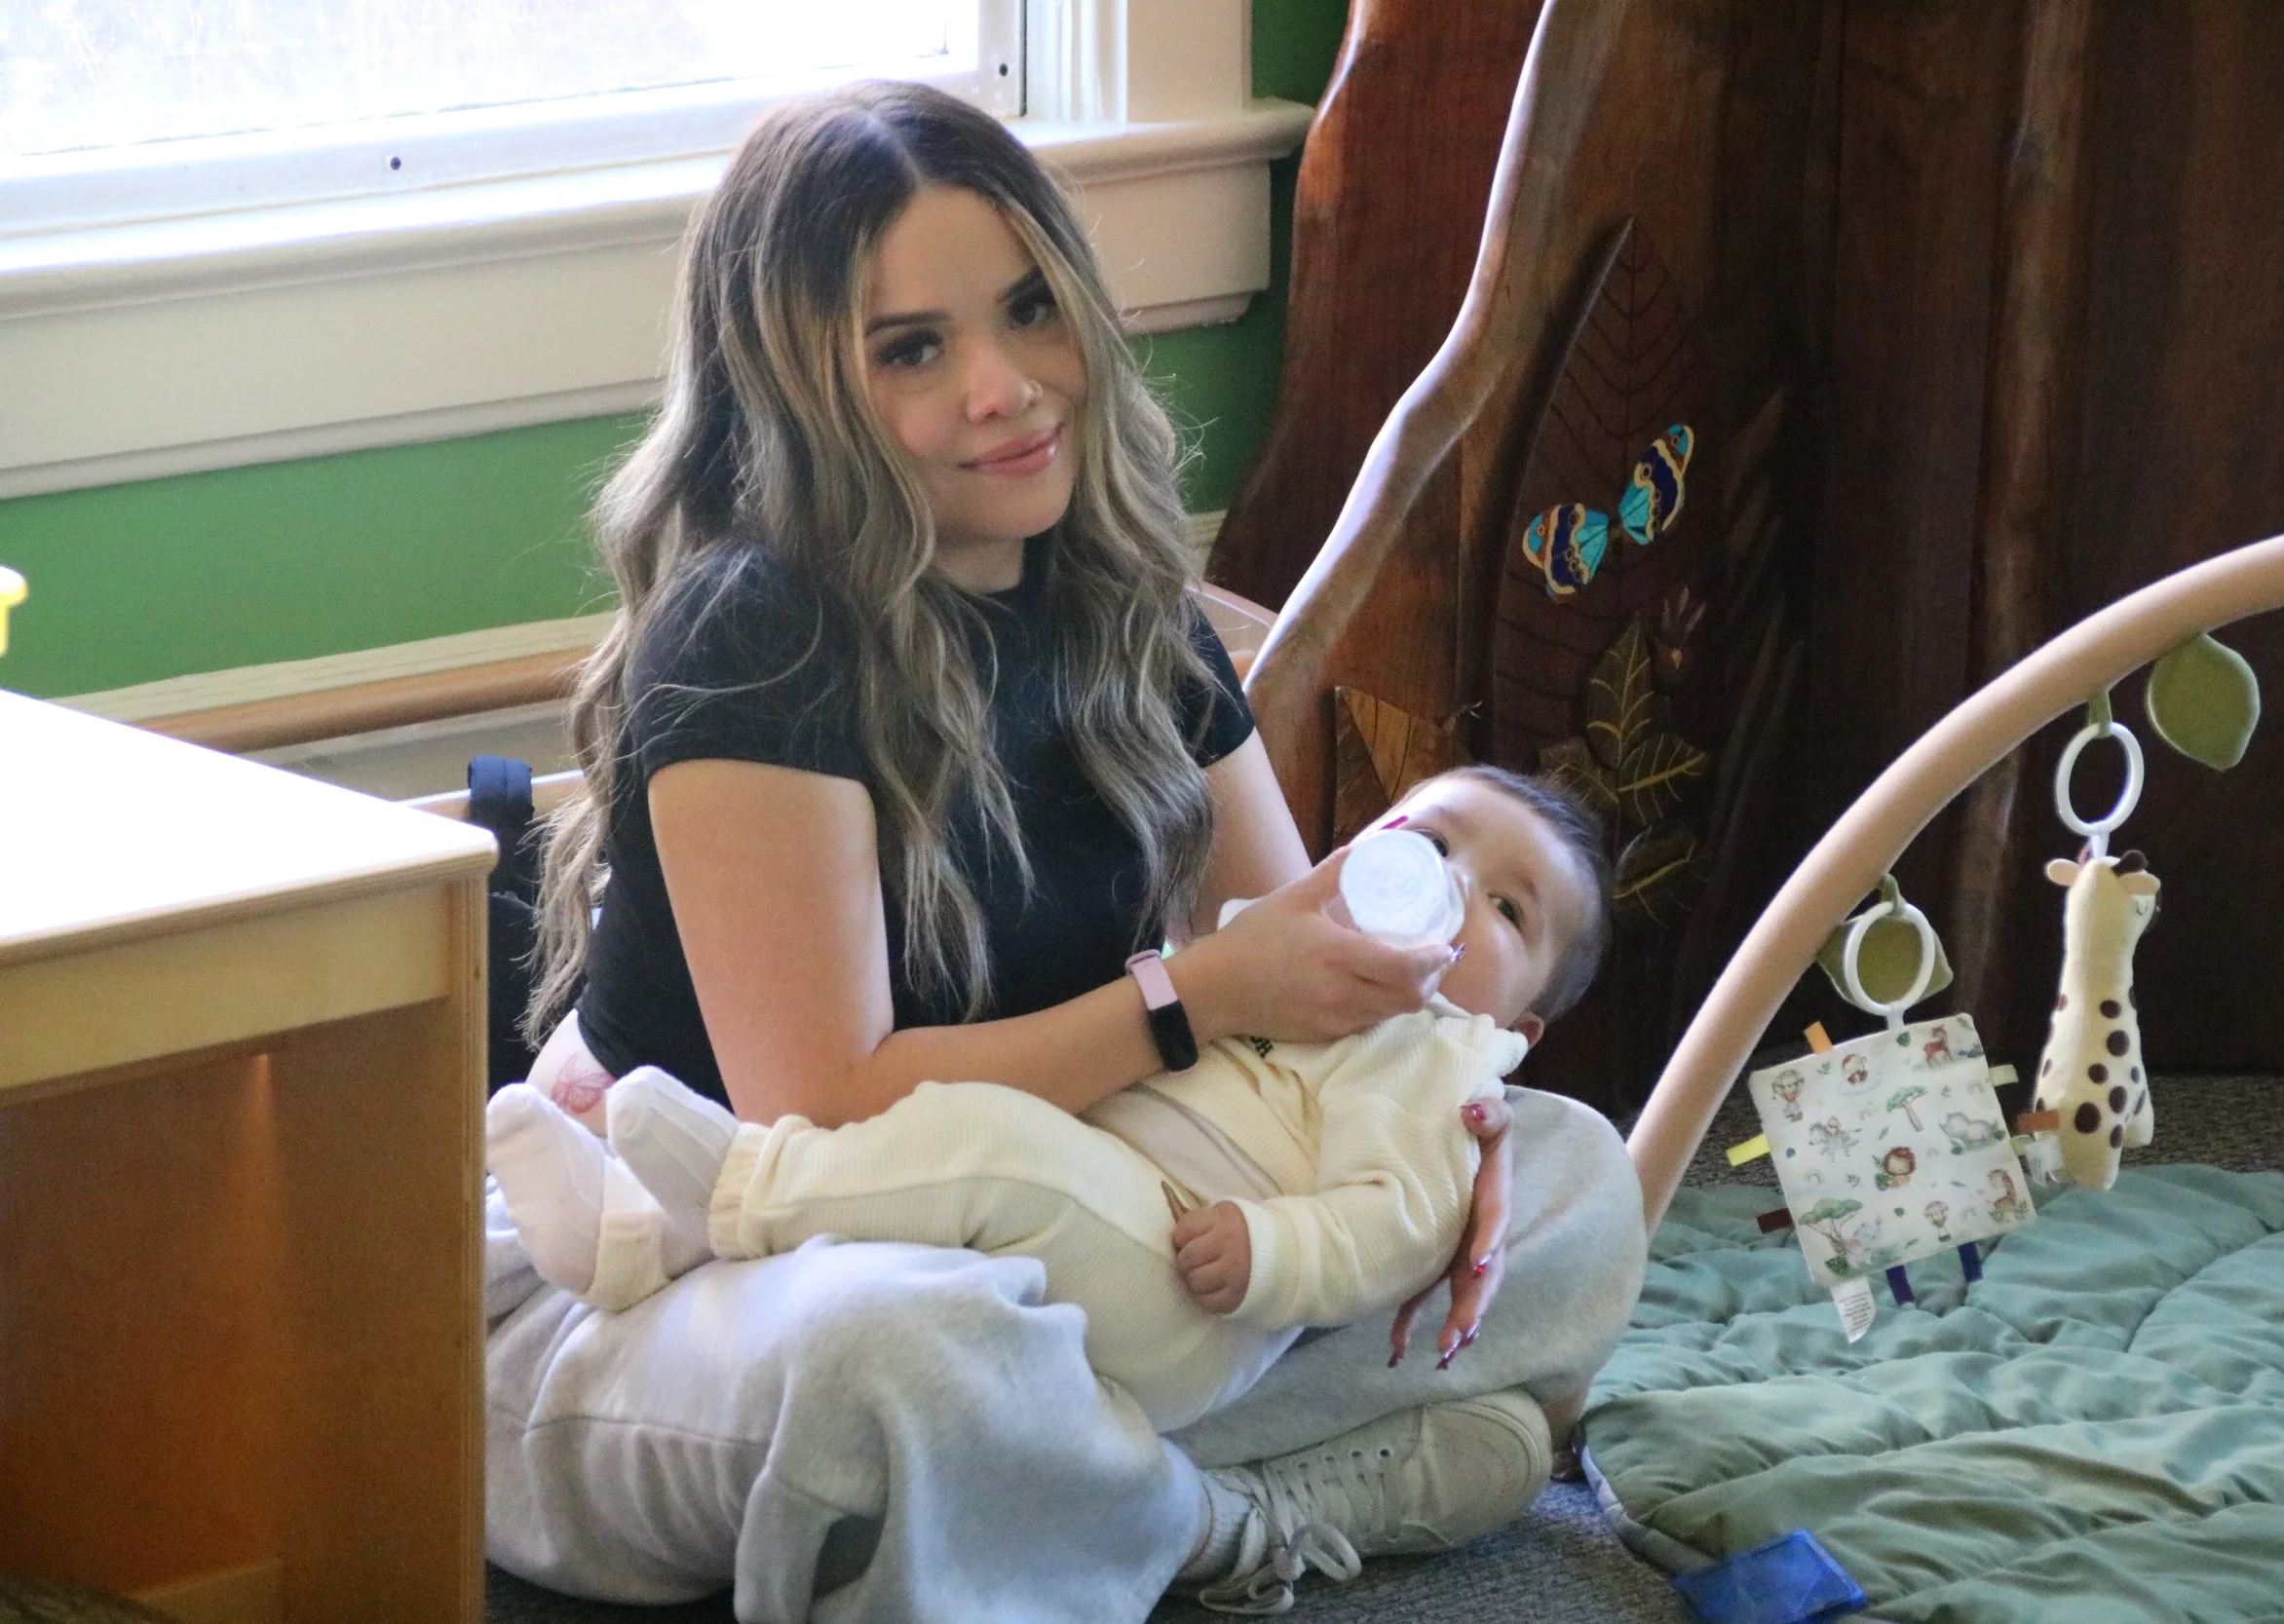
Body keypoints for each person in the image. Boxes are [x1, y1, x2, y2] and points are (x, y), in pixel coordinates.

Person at [481, 80, 1646, 1623]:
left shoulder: (1125, 603)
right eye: (914, 348)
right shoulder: (759, 627)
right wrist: (1194, 998)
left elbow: (1304, 960)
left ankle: (1072, 1495)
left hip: (1063, 1231)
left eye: (1032, 309)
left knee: (1576, 1179)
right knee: (905, 1352)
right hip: (692, 1273)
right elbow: (821, 1103)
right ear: (797, 392)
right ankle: (1206, 1516)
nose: (1008, 386)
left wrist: (1429, 1107)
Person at [489, 767, 1611, 1447]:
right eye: (1434, 841)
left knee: (998, 1149)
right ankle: (659, 1229)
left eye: (1506, 908)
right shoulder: (1289, 935)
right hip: (1107, 1190)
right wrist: (1212, 971)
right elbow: (1176, 1007)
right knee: (941, 1158)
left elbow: (1390, 1225)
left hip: (1192, 1288)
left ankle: (724, 1197)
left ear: (1519, 1032)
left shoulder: (1437, 1065)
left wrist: (1269, 1248)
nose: (1453, 886)